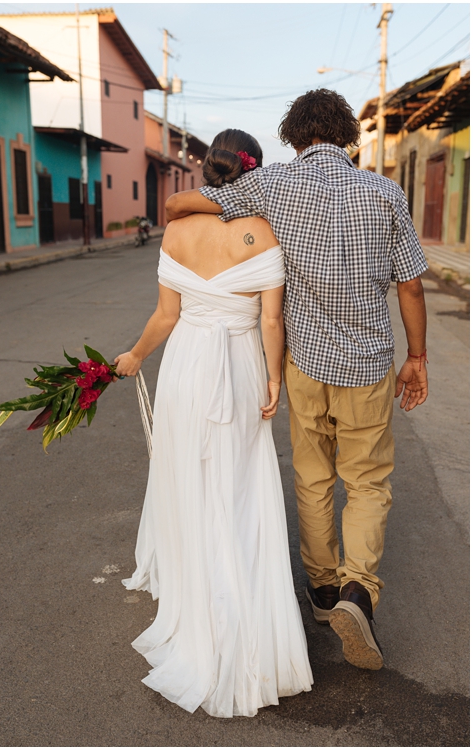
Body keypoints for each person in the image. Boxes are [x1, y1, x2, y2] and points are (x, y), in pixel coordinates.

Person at [165, 89, 429, 672]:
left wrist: (209, 210)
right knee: (366, 481)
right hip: (366, 364)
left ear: (293, 135)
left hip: (305, 362)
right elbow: (410, 284)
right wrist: (418, 357)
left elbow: (186, 202)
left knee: (313, 477)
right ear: (346, 135)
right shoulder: (386, 192)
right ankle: (359, 592)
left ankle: (323, 591)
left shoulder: (274, 184)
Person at [114, 129, 313, 718]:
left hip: (187, 367)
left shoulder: (176, 230)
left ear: (207, 171)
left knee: (186, 472)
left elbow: (165, 314)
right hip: (240, 365)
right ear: (253, 173)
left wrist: (135, 356)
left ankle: (195, 583)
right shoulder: (266, 232)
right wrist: (274, 377)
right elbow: (271, 321)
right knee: (241, 483)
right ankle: (242, 590)